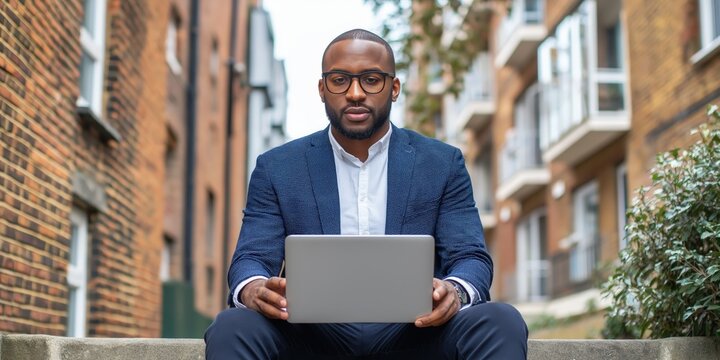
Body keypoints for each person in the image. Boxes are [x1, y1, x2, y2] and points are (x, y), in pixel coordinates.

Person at [205, 28, 528, 359]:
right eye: (340, 80)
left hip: (416, 333)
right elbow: (251, 257)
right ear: (321, 89)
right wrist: (254, 288)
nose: (355, 93)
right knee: (232, 326)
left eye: (371, 80)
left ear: (394, 88)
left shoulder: (442, 164)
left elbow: (469, 256)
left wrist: (455, 292)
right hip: (310, 338)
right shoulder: (277, 168)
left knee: (501, 320)